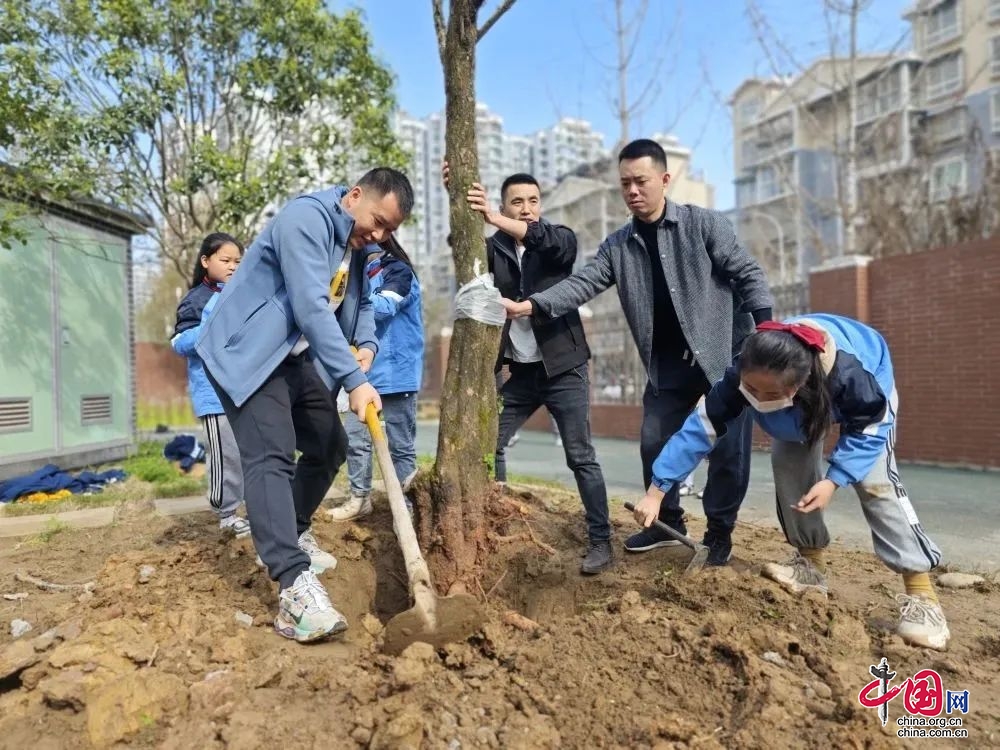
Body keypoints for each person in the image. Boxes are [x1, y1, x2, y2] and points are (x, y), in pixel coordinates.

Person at [500, 139, 773, 566]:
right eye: (625, 183)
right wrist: (533, 305)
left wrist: (767, 328)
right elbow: (584, 283)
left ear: (664, 179)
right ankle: (669, 525)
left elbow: (747, 271)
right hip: (667, 367)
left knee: (726, 454)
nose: (632, 191)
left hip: (721, 358)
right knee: (653, 441)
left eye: (641, 181)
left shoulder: (704, 226)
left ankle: (719, 535)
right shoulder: (617, 246)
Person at [633, 316, 950, 650]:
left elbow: (869, 428)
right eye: (750, 389)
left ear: (800, 384)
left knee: (875, 484)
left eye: (767, 393)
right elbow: (698, 431)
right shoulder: (744, 372)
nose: (755, 398)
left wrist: (834, 480)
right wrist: (656, 492)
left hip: (865, 400)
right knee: (789, 468)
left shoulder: (852, 378)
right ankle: (811, 567)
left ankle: (922, 594)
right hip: (790, 413)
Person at [197, 167, 413, 643]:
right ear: (355, 196)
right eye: (376, 221)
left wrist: (368, 348)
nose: (378, 235)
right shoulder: (305, 219)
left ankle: (289, 530)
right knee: (271, 453)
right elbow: (312, 306)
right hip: (244, 352)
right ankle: (293, 587)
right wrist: (354, 382)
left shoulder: (355, 246)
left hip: (290, 357)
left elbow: (359, 308)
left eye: (389, 231)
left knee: (328, 444)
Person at [448, 164, 614, 575]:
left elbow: (543, 238)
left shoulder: (559, 240)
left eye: (533, 201)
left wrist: (496, 217)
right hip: (520, 373)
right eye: (517, 202)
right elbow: (460, 243)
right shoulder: (493, 249)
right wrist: (455, 193)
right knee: (492, 441)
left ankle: (600, 540)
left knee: (581, 456)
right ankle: (493, 514)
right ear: (503, 205)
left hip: (564, 369)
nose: (526, 209)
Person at [329, 235, 424, 521]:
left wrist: (348, 296)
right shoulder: (355, 275)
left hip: (396, 376)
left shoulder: (398, 270)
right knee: (357, 442)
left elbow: (382, 308)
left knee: (400, 446)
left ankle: (406, 507)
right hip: (362, 376)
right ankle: (360, 498)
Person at [171, 232, 249, 539]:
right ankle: (226, 513)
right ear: (206, 261)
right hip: (214, 395)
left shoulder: (241, 296)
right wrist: (210, 328)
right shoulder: (195, 300)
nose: (233, 267)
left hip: (243, 390)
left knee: (247, 455)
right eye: (225, 260)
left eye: (238, 262)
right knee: (225, 457)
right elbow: (179, 343)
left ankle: (255, 510)